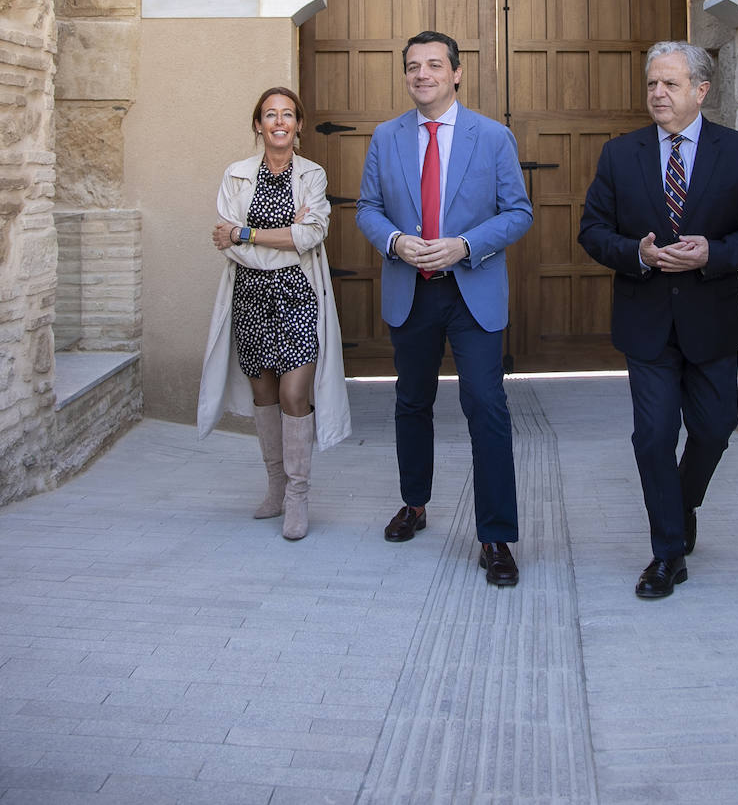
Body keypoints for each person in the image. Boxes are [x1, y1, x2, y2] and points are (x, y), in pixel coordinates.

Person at [578, 41, 738, 599]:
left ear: (701, 91)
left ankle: (681, 502)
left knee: (715, 428)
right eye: (651, 84)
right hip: (645, 322)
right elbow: (592, 231)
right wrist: (636, 254)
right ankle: (667, 554)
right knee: (654, 437)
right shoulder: (621, 155)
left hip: (711, 320)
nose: (658, 94)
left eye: (670, 84)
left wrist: (713, 253)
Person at [356, 31, 533, 587]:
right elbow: (368, 208)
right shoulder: (386, 138)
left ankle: (496, 536)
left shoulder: (494, 136)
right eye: (413, 66)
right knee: (411, 402)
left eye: (434, 65)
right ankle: (414, 503)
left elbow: (518, 212)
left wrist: (466, 245)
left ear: (456, 74)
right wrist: (393, 242)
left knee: (487, 407)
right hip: (411, 292)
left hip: (471, 291)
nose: (423, 74)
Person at [198, 86, 351, 540]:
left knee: (294, 395)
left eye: (288, 115)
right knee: (263, 393)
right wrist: (277, 235)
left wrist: (246, 233)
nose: (279, 122)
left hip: (298, 295)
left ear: (299, 124)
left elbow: (310, 236)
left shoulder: (313, 175)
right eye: (270, 115)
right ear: (258, 125)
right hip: (250, 297)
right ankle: (275, 487)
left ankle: (299, 496)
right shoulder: (236, 174)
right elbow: (230, 245)